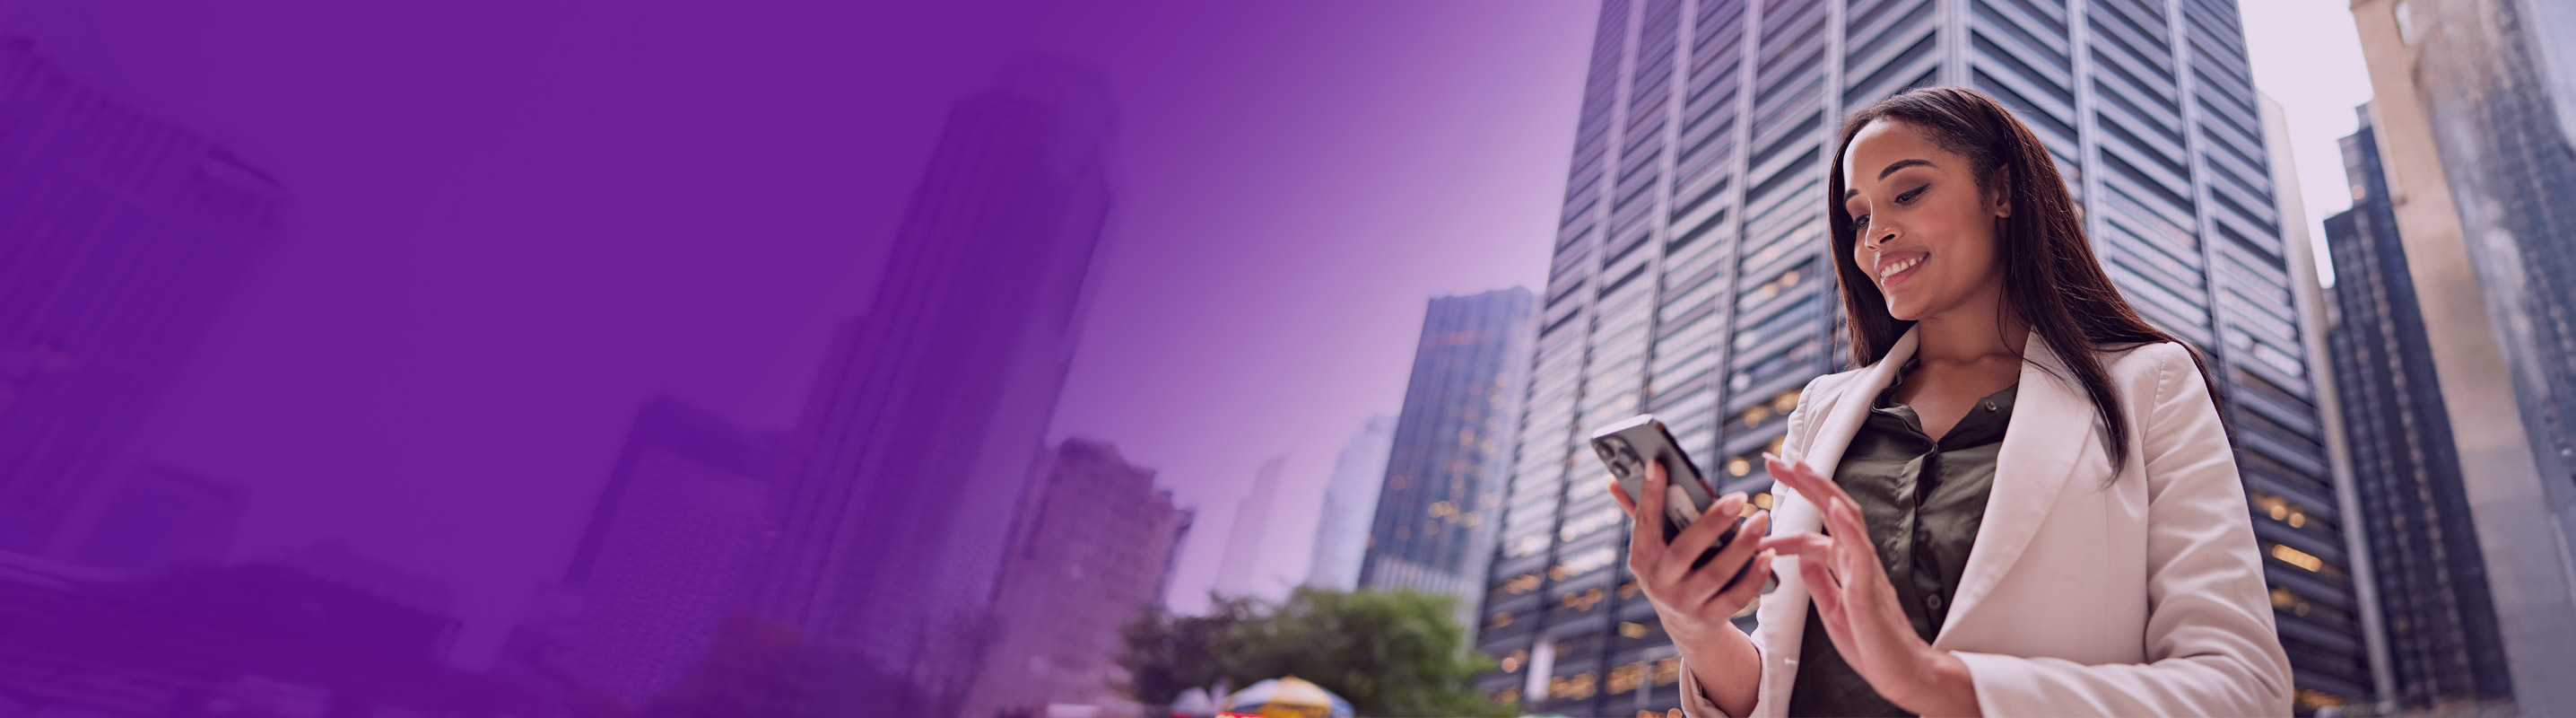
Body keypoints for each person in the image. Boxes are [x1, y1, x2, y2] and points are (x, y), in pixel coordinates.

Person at [1605, 86, 2293, 717]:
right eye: (1859, 215)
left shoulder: (2150, 384)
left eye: (1906, 194)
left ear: (2001, 192)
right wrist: (1694, 627)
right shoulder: (1822, 410)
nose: (1874, 236)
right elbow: (1784, 683)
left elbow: (2242, 688)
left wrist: (1937, 684)